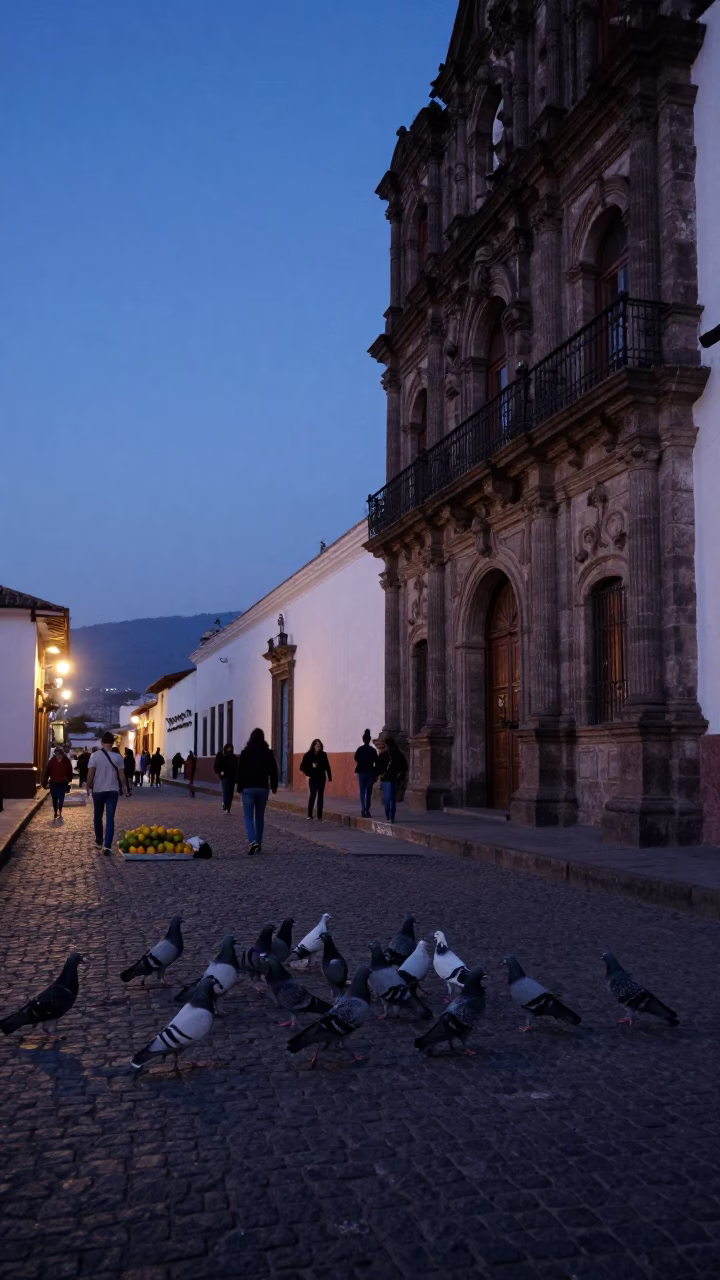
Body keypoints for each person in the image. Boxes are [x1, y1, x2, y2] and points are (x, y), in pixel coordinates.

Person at [236, 727, 278, 856]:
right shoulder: (268, 752)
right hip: (262, 788)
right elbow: (274, 770)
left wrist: (239, 786)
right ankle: (259, 842)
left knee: (248, 816)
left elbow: (240, 770)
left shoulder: (245, 752)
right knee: (259, 816)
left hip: (248, 788)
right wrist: (274, 786)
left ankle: (253, 841)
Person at [87, 731, 127, 853]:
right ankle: (108, 845)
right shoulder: (118, 757)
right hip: (112, 791)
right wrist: (124, 788)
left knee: (97, 817)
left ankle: (99, 841)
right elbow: (122, 776)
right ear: (112, 743)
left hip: (98, 791)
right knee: (110, 818)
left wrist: (88, 787)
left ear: (102, 742)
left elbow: (90, 774)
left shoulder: (94, 756)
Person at [376, 737, 408, 824]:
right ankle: (392, 816)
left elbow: (378, 768)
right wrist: (403, 779)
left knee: (386, 799)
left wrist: (378, 776)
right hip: (395, 779)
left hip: (385, 779)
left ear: (386, 745)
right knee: (393, 798)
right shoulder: (399, 754)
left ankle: (388, 815)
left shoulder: (383, 755)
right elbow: (404, 768)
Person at [300, 739, 332, 821]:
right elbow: (302, 766)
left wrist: (329, 776)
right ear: (313, 746)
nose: (318, 747)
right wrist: (308, 773)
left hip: (321, 778)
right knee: (313, 795)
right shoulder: (308, 755)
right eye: (316, 745)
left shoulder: (323, 755)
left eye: (319, 745)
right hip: (313, 778)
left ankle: (319, 816)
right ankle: (310, 814)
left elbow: (327, 766)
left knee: (320, 796)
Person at [43, 747, 73, 821]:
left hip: (62, 783)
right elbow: (48, 772)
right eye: (56, 754)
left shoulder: (66, 761)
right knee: (54, 798)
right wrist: (45, 782)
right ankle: (55, 811)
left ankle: (60, 810)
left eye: (59, 754)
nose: (58, 755)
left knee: (61, 797)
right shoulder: (52, 761)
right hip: (53, 782)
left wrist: (68, 779)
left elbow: (70, 770)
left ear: (62, 754)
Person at [354, 728, 378, 818]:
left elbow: (356, 758)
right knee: (368, 792)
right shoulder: (372, 750)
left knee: (362, 791)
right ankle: (367, 809)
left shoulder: (360, 749)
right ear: (369, 740)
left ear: (363, 739)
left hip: (361, 772)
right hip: (370, 773)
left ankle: (363, 809)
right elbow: (376, 761)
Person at [214, 743, 238, 813]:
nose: (229, 749)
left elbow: (237, 768)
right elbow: (217, 767)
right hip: (225, 778)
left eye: (231, 748)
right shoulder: (222, 756)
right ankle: (225, 806)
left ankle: (228, 807)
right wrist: (221, 773)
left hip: (232, 778)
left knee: (230, 793)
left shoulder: (234, 757)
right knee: (226, 793)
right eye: (228, 748)